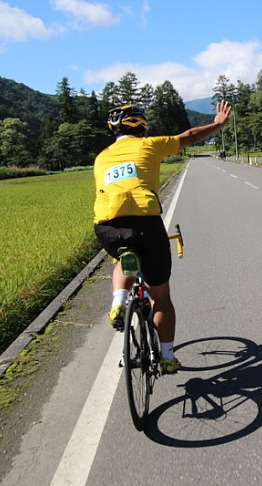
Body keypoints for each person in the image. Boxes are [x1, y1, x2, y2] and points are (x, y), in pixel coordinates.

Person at [93, 100, 232, 374]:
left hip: (107, 226)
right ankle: (167, 356)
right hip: (146, 222)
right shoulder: (149, 145)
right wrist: (217, 124)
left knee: (124, 258)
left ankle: (118, 301)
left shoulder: (101, 157)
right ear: (141, 126)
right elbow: (189, 137)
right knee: (161, 296)